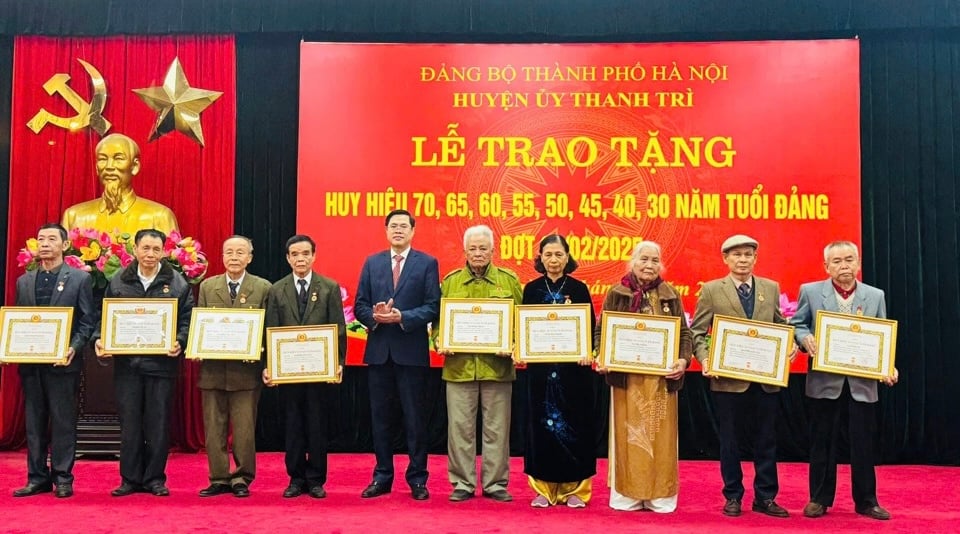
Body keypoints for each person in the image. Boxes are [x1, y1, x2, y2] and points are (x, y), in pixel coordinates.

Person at [790, 240, 898, 521]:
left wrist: (888, 365)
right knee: (822, 442)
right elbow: (797, 324)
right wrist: (805, 338)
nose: (844, 265)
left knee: (863, 444)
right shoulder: (811, 292)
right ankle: (819, 499)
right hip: (824, 381)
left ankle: (866, 501)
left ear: (859, 263)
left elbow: (882, 335)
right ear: (826, 266)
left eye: (849, 259)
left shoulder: (875, 296)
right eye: (836, 261)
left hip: (862, 383)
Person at [689, 234, 794, 518]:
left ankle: (766, 497)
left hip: (765, 380)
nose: (743, 260)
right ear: (725, 259)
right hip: (727, 380)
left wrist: (790, 346)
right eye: (736, 255)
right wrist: (706, 358)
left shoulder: (771, 288)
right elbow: (697, 332)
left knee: (766, 440)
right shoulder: (711, 290)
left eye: (748, 254)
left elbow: (781, 325)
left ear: (755, 258)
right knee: (730, 440)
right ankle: (733, 495)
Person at [95, 229, 194, 497]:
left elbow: (186, 320)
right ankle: (129, 478)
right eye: (145, 248)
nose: (150, 254)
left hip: (162, 367)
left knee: (158, 424)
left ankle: (154, 479)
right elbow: (104, 317)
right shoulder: (118, 280)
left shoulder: (177, 283)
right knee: (129, 424)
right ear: (135, 250)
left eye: (156, 249)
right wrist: (100, 340)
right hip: (127, 366)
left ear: (164, 251)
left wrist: (180, 341)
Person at [595, 241, 692, 513]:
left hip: (662, 380)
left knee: (660, 436)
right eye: (643, 259)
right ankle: (628, 495)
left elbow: (684, 334)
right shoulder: (617, 292)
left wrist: (683, 360)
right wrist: (602, 356)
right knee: (626, 438)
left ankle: (660, 496)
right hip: (626, 379)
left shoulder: (670, 293)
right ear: (632, 262)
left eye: (654, 260)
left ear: (661, 265)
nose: (649, 265)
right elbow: (601, 332)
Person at [355, 209, 440, 501]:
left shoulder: (427, 263)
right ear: (386, 230)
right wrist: (376, 317)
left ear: (413, 231)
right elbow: (360, 305)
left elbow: (432, 306)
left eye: (404, 226)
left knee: (415, 419)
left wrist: (403, 316)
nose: (399, 230)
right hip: (379, 353)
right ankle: (382, 476)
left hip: (412, 353)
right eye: (394, 226)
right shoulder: (372, 262)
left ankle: (417, 478)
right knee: (380, 419)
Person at [10, 223, 97, 498]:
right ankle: (37, 477)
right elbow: (18, 323)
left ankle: (63, 477)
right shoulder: (24, 281)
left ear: (64, 245)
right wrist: (9, 348)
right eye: (40, 239)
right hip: (31, 364)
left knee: (62, 421)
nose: (44, 243)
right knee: (34, 423)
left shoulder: (79, 279)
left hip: (63, 363)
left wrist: (74, 347)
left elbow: (87, 321)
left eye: (51, 239)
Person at [438, 224, 522, 502]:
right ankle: (462, 482)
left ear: (493, 251)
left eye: (482, 248)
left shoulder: (509, 281)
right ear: (464, 251)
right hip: (459, 368)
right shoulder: (450, 282)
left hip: (497, 369)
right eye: (472, 248)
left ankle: (495, 483)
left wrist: (511, 344)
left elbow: (520, 323)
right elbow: (438, 323)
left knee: (497, 429)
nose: (477, 253)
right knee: (459, 429)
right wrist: (440, 340)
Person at [263, 234, 347, 499]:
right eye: (295, 255)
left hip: (319, 371)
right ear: (288, 258)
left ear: (314, 256)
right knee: (293, 426)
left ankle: (316, 479)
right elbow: (270, 329)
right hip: (287, 373)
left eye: (305, 254)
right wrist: (269, 366)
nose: (301, 259)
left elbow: (339, 330)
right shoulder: (277, 289)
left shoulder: (328, 287)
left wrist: (338, 363)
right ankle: (296, 478)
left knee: (317, 425)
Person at [521, 235, 597, 508]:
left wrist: (588, 352)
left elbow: (588, 328)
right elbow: (523, 328)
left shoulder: (578, 289)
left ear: (568, 257)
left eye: (558, 254)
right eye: (548, 254)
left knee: (575, 427)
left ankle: (575, 490)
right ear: (540, 258)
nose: (553, 260)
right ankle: (543, 489)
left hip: (573, 373)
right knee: (540, 429)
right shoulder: (530, 289)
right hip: (540, 373)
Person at [196, 236, 272, 498]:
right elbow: (201, 323)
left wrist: (261, 354)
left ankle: (241, 477)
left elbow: (267, 330)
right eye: (229, 252)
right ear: (222, 256)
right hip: (213, 371)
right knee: (214, 428)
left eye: (241, 252)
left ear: (250, 257)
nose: (234, 257)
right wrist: (197, 345)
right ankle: (218, 477)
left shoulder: (263, 287)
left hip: (246, 372)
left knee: (243, 429)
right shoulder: (208, 286)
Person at [61, 133, 179, 236]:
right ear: (96, 167)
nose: (109, 166)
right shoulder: (74, 216)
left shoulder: (159, 216)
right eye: (102, 159)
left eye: (118, 159)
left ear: (134, 166)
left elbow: (169, 260)